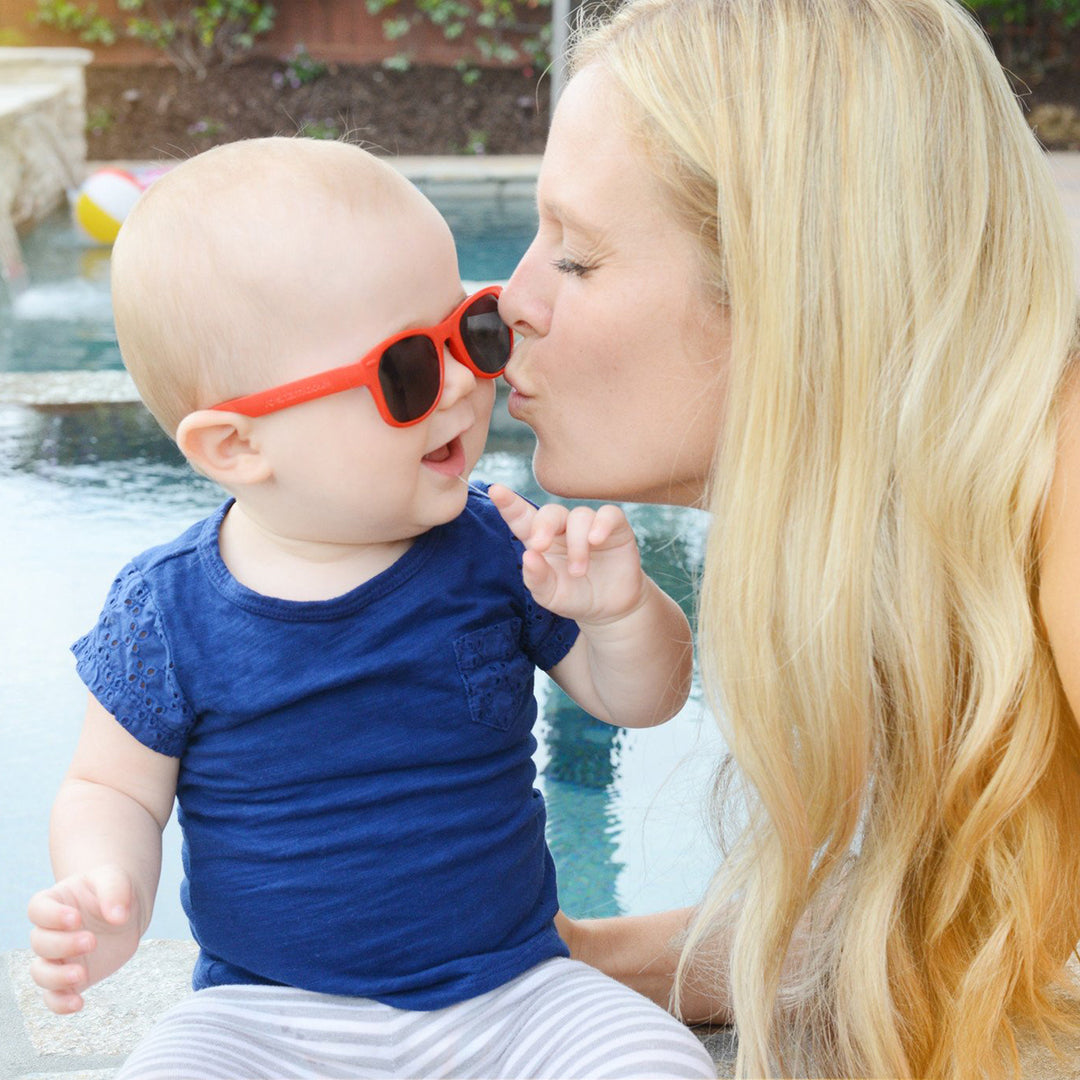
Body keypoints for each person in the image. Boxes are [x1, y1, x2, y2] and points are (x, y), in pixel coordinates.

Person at [24, 137, 717, 1080]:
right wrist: (107, 887)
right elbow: (111, 790)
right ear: (237, 446)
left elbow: (644, 700)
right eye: (407, 372)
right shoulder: (167, 610)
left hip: (514, 994)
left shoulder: (497, 548)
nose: (466, 381)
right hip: (264, 1016)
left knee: (654, 1062)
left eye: (466, 332)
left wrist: (619, 615)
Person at [494, 0, 1080, 1077]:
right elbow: (943, 926)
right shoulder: (951, 547)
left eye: (574, 258)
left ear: (796, 290)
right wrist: (542, 960)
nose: (508, 301)